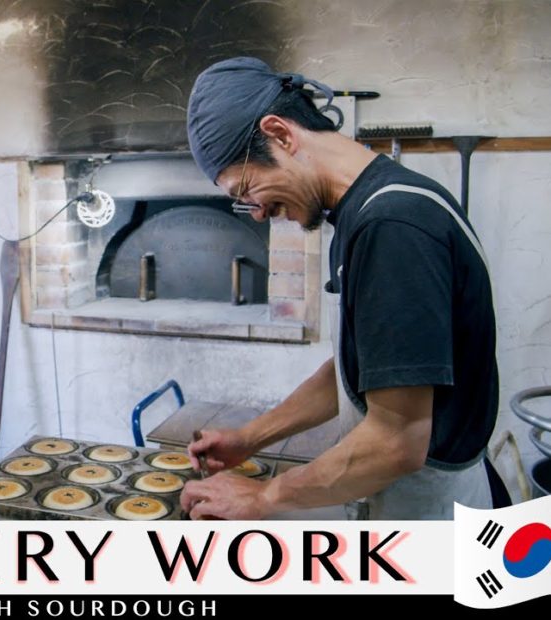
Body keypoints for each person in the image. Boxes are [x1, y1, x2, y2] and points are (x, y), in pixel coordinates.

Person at [180, 57, 501, 520]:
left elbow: (396, 442)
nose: (257, 212)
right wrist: (249, 438)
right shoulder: (359, 212)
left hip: (431, 516)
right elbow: (358, 371)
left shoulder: (393, 225)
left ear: (281, 134)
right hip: (399, 501)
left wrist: (263, 496)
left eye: (245, 189)